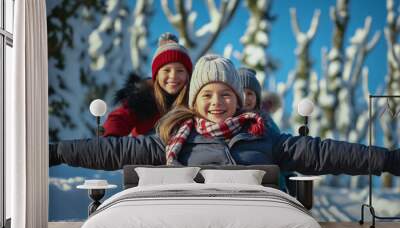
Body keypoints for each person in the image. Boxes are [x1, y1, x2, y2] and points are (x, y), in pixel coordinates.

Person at [49, 54, 400, 179]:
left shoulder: (266, 137)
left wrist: (385, 159)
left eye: (226, 95)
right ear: (195, 101)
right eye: (207, 95)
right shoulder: (174, 139)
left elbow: (324, 152)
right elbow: (114, 152)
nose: (217, 102)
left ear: (237, 100)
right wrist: (58, 151)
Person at [103, 33, 193, 137]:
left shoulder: (193, 101)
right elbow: (119, 118)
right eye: (166, 70)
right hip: (143, 151)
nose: (173, 76)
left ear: (188, 75)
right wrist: (111, 139)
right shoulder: (143, 98)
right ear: (156, 75)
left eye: (180, 70)